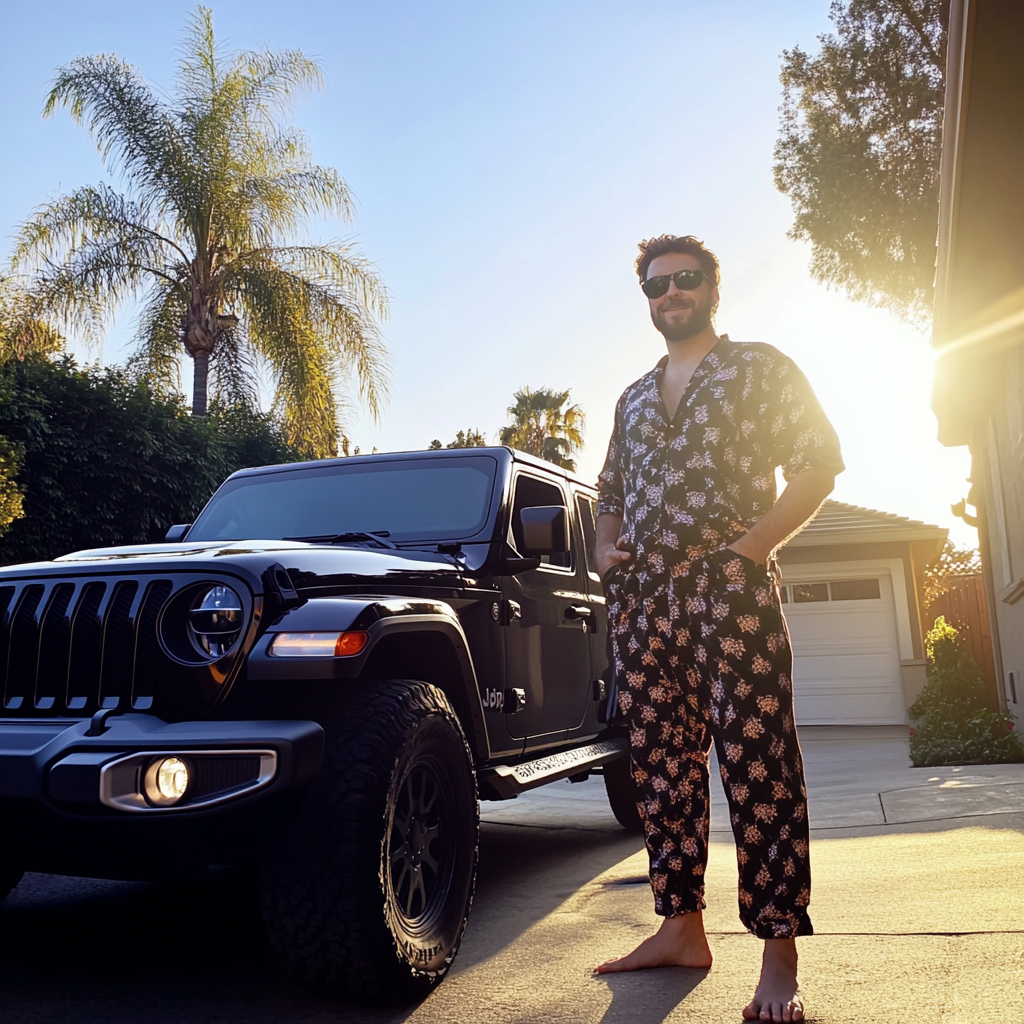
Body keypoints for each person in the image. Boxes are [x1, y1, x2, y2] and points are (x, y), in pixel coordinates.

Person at [592, 234, 844, 1024]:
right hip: (646, 606)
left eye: (685, 280)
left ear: (713, 287)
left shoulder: (758, 369)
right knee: (661, 773)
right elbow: (608, 492)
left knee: (758, 768)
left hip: (729, 594)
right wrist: (605, 547)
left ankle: (778, 955)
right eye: (656, 285)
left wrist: (750, 548)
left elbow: (818, 463)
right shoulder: (631, 398)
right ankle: (680, 929)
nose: (671, 294)